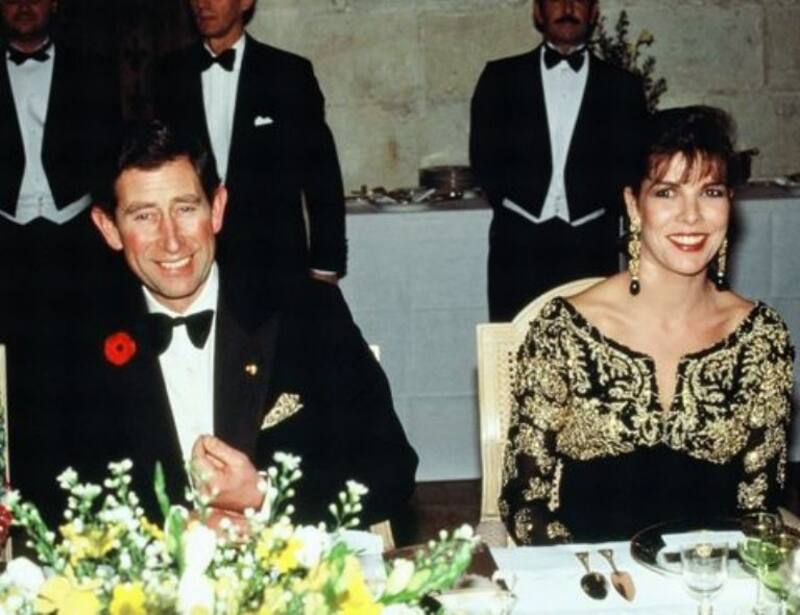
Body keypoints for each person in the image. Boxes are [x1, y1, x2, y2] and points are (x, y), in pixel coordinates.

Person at [75, 120, 416, 530]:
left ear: (217, 208)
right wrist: (172, 529)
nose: (172, 240)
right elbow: (48, 491)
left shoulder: (307, 313)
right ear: (109, 228)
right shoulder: (76, 341)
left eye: (186, 208)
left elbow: (391, 469)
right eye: (145, 216)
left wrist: (264, 498)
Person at [500, 106, 794, 545]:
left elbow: (759, 501)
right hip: (589, 574)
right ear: (633, 206)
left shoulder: (762, 337)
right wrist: (588, 572)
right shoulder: (565, 330)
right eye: (667, 193)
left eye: (711, 192)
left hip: (712, 575)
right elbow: (524, 501)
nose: (691, 216)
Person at [0, 0, 120, 518]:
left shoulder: (93, 70)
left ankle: (82, 499)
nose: (24, 6)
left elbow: (111, 154)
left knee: (81, 373)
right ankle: (19, 501)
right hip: (6, 242)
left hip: (77, 242)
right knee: (15, 375)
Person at [470, 0, 647, 322]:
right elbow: (484, 158)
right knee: (514, 339)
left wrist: (593, 210)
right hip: (517, 244)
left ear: (594, 13)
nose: (567, 7)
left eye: (579, 0)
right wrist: (520, 207)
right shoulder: (501, 78)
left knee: (590, 338)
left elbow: (631, 164)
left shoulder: (622, 86)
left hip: (592, 243)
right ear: (537, 12)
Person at [152, 0, 346, 288]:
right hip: (193, 258)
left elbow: (321, 174)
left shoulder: (288, 73)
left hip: (275, 261)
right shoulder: (168, 74)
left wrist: (326, 264)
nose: (201, 4)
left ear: (245, 3)